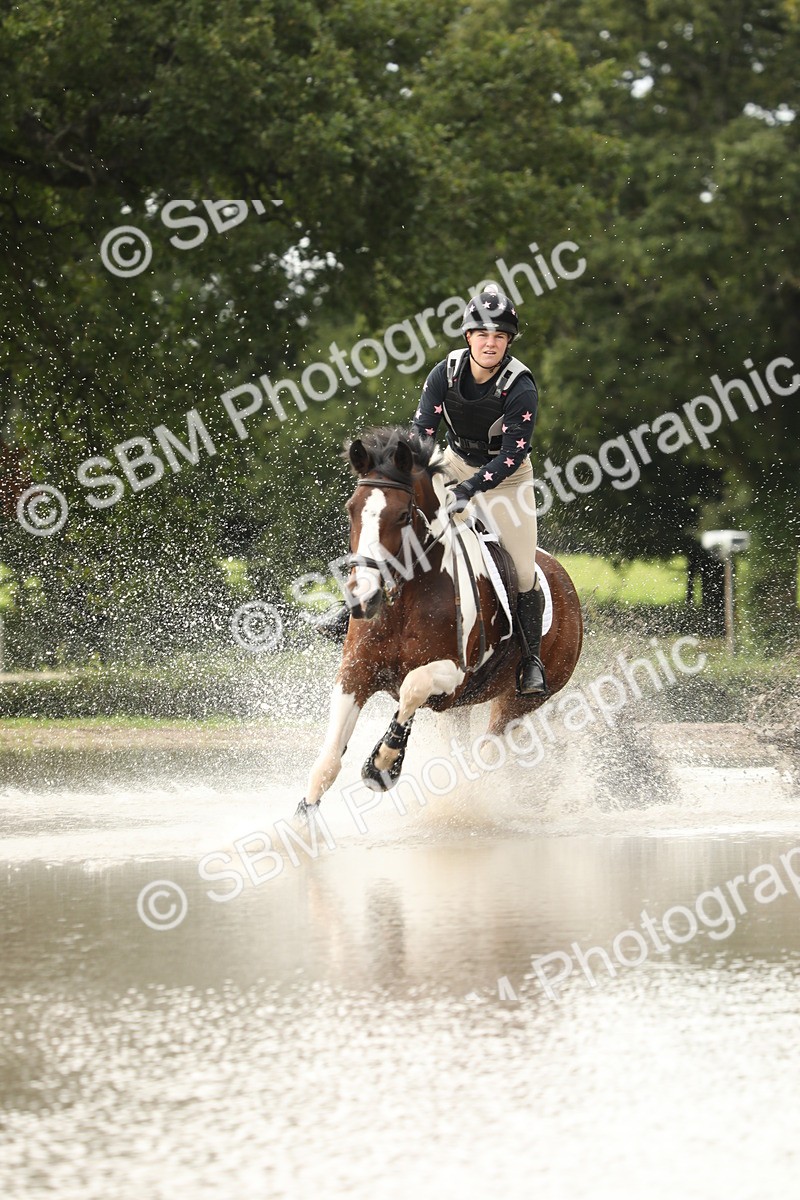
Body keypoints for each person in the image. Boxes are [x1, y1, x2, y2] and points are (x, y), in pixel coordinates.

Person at [317, 285, 548, 698]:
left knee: (525, 572)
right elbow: (422, 436)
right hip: (454, 462)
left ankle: (530, 658)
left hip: (507, 480)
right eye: (482, 334)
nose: (490, 342)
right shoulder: (444, 374)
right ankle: (355, 605)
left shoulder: (520, 387)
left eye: (499, 336)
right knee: (406, 525)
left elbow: (512, 456)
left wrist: (471, 490)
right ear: (468, 338)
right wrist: (417, 479)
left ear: (508, 341)